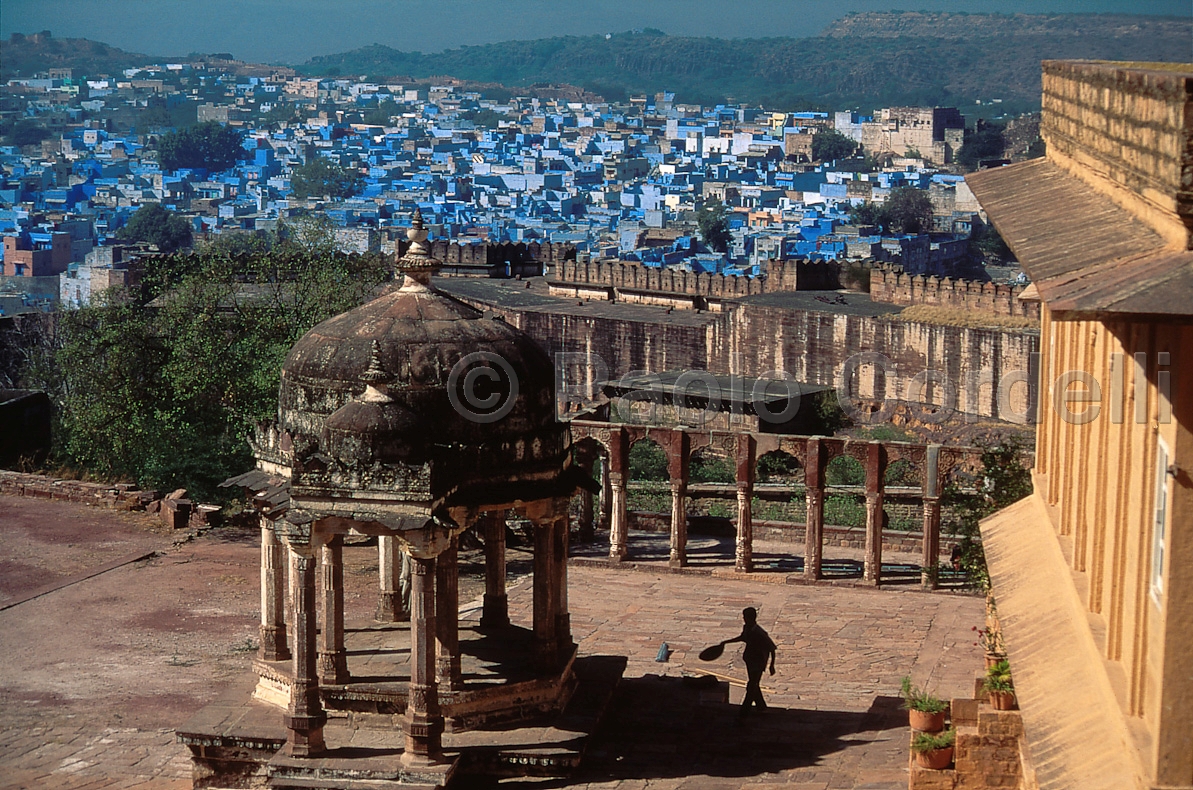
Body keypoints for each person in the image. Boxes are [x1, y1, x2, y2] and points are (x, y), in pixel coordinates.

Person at [720, 606, 776, 715]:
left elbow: (772, 648)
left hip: (758, 662)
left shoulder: (760, 633)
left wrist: (771, 665)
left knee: (751, 686)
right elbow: (742, 637)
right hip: (750, 661)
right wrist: (726, 642)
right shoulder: (747, 628)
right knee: (754, 684)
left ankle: (745, 711)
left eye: (745, 617)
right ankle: (761, 705)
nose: (744, 619)